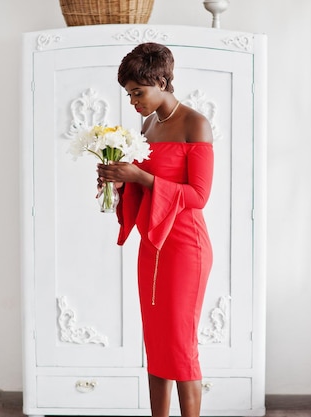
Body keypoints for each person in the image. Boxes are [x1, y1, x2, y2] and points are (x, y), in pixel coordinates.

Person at [96, 42, 214, 417]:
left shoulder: (196, 123)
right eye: (129, 94)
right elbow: (145, 185)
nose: (133, 102)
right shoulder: (148, 125)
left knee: (180, 343)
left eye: (137, 92)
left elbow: (198, 196)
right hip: (152, 244)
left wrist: (141, 177)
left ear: (162, 80)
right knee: (157, 341)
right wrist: (119, 182)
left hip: (185, 247)